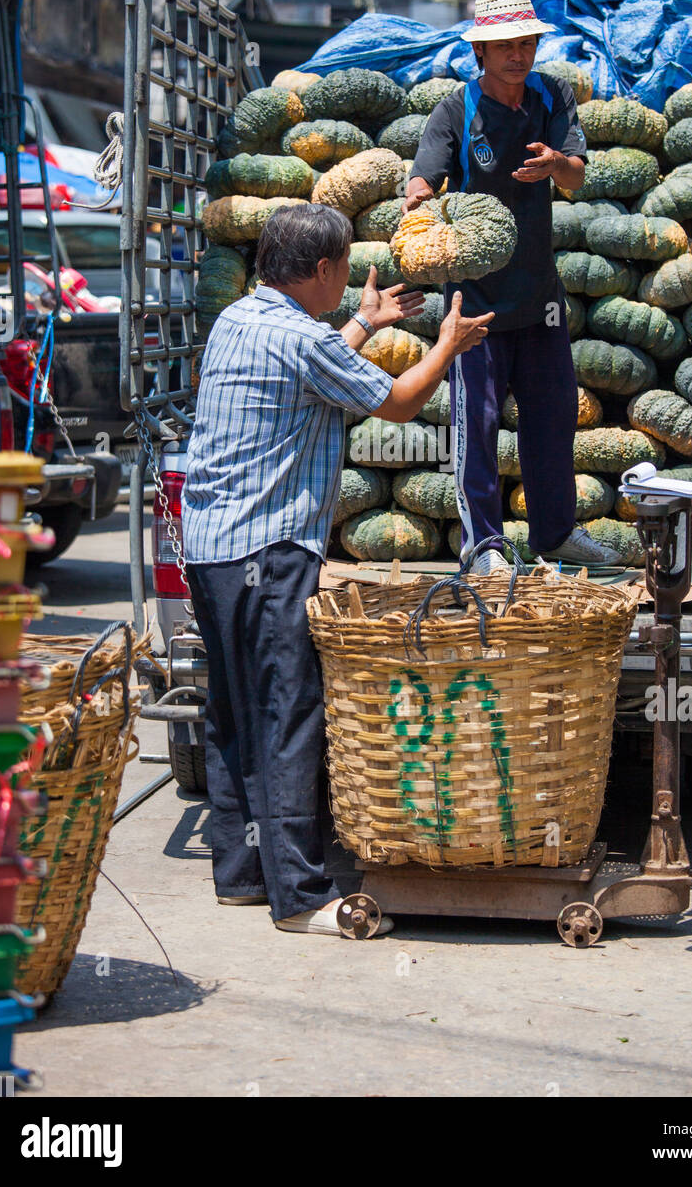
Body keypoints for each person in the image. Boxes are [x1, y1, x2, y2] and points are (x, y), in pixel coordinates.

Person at [181, 204, 492, 936]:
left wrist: (366, 322)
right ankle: (304, 897)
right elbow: (402, 402)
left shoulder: (240, 320)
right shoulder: (301, 339)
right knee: (289, 713)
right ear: (322, 272)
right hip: (269, 550)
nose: (351, 279)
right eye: (346, 269)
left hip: (210, 548)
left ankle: (243, 873)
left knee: (233, 710)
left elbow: (315, 364)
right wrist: (446, 345)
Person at [405, 0, 623, 573]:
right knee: (475, 427)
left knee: (552, 420)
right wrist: (419, 197)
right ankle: (484, 547)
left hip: (539, 298)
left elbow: (577, 175)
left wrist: (558, 165)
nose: (517, 53)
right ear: (481, 51)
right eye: (504, 44)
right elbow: (423, 176)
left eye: (525, 42)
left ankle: (555, 534)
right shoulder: (456, 109)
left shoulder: (552, 97)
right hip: (474, 304)